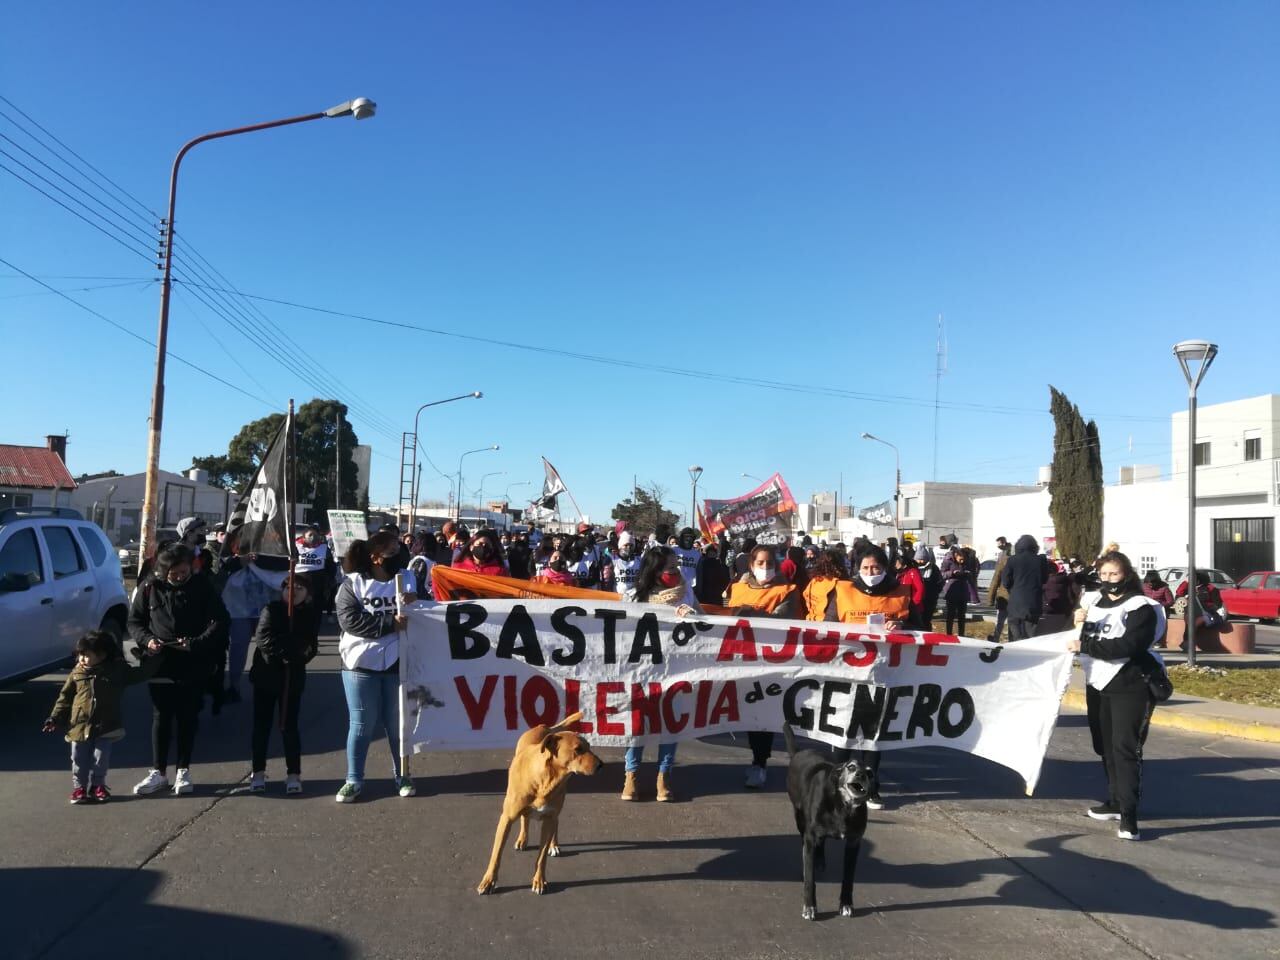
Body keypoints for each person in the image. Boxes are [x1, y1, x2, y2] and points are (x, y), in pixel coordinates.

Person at [1067, 551, 1167, 841]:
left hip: (1130, 683)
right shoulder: (1093, 601)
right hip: (1097, 682)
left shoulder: (1142, 606)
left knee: (1125, 748)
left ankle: (1129, 816)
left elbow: (1130, 645)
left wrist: (1085, 646)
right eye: (1104, 575)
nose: (1109, 580)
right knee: (1104, 745)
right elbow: (1083, 637)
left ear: (1127, 574)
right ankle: (1114, 800)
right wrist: (1079, 622)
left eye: (1115, 574)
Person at [127, 543, 229, 797]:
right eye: (174, 573)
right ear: (163, 571)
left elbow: (220, 620)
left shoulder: (202, 586)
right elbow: (134, 621)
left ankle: (183, 769)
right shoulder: (149, 588)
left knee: (187, 716)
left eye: (184, 572)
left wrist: (195, 644)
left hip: (193, 662)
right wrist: (147, 640)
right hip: (159, 661)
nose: (180, 577)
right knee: (161, 717)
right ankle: (158, 772)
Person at [335, 533, 416, 802]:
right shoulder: (354, 584)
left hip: (397, 663)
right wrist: (389, 625)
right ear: (376, 557)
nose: (400, 554)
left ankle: (402, 774)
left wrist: (416, 607)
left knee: (397, 726)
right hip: (360, 663)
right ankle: (353, 779)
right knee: (361, 725)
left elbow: (427, 612)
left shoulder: (408, 579)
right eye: (393, 550)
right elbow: (349, 621)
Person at [830, 543, 911, 810]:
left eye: (875, 567)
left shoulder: (900, 592)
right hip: (847, 672)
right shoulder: (843, 589)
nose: (870, 571)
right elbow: (827, 626)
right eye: (865, 567)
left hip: (883, 673)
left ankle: (871, 788)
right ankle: (837, 784)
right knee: (843, 729)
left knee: (874, 734)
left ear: (885, 568)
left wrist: (902, 626)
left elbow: (921, 628)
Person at [43, 630, 159, 803]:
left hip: (106, 724)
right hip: (79, 725)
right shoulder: (77, 673)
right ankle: (79, 788)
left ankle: (98, 785)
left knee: (101, 758)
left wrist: (151, 657)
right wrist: (55, 718)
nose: (82, 659)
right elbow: (65, 698)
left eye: (86, 655)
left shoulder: (117, 671)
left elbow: (140, 674)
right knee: (78, 759)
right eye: (80, 655)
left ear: (102, 655)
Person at [622, 547, 699, 801]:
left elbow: (705, 627)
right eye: (670, 567)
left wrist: (692, 616)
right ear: (655, 572)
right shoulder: (633, 598)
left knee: (671, 721)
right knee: (638, 723)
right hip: (642, 670)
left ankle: (663, 775)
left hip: (676, 668)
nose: (676, 571)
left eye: (677, 565)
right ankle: (631, 774)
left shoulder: (686, 593)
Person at [727, 544, 801, 788]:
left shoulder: (787, 589)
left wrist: (753, 615)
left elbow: (784, 621)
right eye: (761, 563)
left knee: (761, 712)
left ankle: (759, 762)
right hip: (736, 660)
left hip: (769, 662)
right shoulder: (736, 588)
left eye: (770, 564)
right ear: (751, 565)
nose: (765, 568)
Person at [248, 576, 320, 794]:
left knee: (289, 727)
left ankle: (293, 774)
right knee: (262, 726)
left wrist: (298, 656)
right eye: (290, 587)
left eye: (300, 588)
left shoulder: (309, 614)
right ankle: (258, 772)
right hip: (266, 677)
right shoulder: (271, 609)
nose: (294, 591)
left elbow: (310, 646)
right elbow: (264, 639)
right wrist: (288, 652)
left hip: (293, 679)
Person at [1003, 535, 1048, 641]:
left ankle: (1016, 647)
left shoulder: (1012, 560)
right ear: (1035, 547)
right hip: (1034, 601)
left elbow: (1005, 582)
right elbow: (1045, 579)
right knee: (1031, 634)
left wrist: (1013, 588)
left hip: (1016, 601)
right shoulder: (1040, 560)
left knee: (1014, 630)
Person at [940, 545, 971, 637]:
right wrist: (952, 573)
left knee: (962, 615)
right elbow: (942, 574)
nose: (962, 561)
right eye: (960, 559)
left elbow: (973, 571)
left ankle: (961, 635)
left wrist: (968, 574)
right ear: (956, 555)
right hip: (952, 591)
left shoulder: (967, 560)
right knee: (950, 615)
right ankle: (948, 634)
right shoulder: (948, 561)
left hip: (963, 590)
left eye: (963, 560)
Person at [988, 538, 1012, 642]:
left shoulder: (1003, 561)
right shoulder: (1020, 562)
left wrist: (990, 599)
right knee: (1013, 622)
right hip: (1014, 597)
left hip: (1004, 596)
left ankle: (996, 638)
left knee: (1000, 621)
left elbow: (995, 580)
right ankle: (1012, 640)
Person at [915, 545, 944, 631]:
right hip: (916, 599)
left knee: (926, 620)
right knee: (916, 620)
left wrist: (934, 593)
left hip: (929, 598)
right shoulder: (913, 568)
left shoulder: (933, 568)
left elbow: (939, 582)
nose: (920, 561)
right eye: (918, 559)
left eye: (922, 559)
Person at [610, 531, 644, 601]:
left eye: (631, 545)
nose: (628, 547)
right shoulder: (614, 560)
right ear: (620, 546)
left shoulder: (639, 560)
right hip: (618, 597)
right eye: (626, 545)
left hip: (634, 597)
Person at [696, 541, 732, 607]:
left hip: (715, 593)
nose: (712, 554)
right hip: (707, 593)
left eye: (713, 553)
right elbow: (701, 577)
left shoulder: (719, 563)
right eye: (711, 553)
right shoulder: (704, 562)